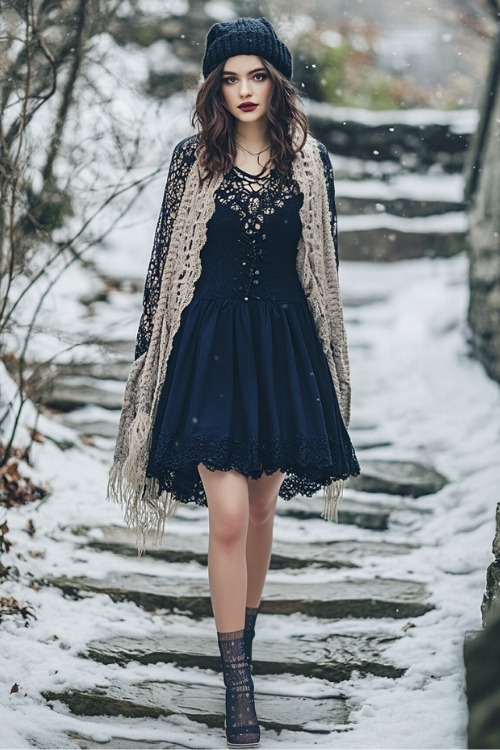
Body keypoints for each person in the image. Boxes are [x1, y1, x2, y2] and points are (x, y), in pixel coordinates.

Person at [108, 16, 360, 749]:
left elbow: (324, 276)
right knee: (224, 515)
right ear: (214, 85)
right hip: (209, 348)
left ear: (277, 81)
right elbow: (164, 272)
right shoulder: (193, 162)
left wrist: (328, 368)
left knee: (257, 507)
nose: (244, 90)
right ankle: (237, 679)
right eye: (230, 77)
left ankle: (241, 639)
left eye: (257, 76)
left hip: (282, 350)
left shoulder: (311, 164)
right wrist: (147, 368)